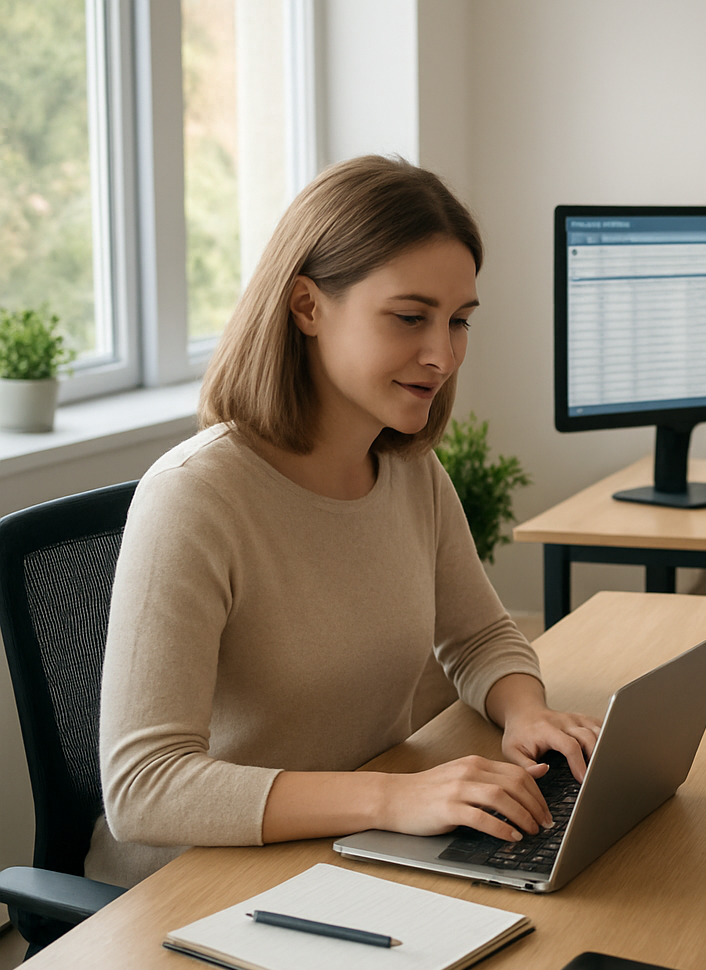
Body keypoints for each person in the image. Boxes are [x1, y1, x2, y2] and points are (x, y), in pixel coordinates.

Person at [90, 155, 600, 889]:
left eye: (458, 321)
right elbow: (145, 788)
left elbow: (479, 635)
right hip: (196, 887)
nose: (443, 355)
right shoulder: (195, 497)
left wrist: (525, 712)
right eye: (409, 317)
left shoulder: (407, 470)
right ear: (306, 307)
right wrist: (396, 797)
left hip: (349, 850)